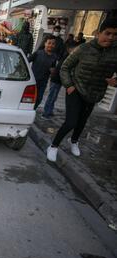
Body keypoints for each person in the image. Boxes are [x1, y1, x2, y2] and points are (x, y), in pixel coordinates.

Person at [46, 18, 117, 162]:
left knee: (82, 121)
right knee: (71, 121)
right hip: (76, 89)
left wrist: (115, 82)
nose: (111, 38)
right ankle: (53, 146)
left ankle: (74, 141)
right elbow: (65, 68)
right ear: (98, 33)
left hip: (95, 93)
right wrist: (69, 86)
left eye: (115, 35)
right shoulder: (84, 48)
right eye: (107, 33)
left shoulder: (115, 52)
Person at [41, 45, 75, 119]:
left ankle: (49, 111)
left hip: (58, 80)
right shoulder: (67, 58)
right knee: (52, 96)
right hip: (56, 79)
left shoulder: (67, 57)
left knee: (54, 97)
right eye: (74, 49)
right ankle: (46, 113)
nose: (75, 51)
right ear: (69, 49)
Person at [28, 35, 58, 110]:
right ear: (45, 43)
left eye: (53, 43)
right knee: (29, 99)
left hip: (43, 82)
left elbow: (53, 69)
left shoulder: (54, 57)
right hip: (32, 81)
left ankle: (33, 110)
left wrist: (53, 71)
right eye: (49, 43)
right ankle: (27, 111)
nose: (51, 45)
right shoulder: (37, 53)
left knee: (39, 99)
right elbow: (26, 61)